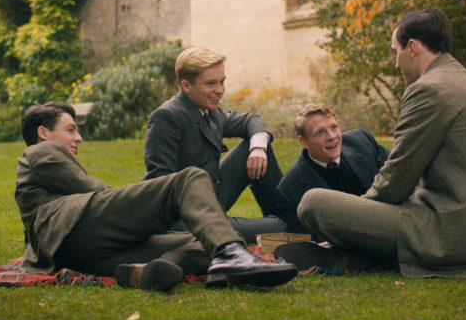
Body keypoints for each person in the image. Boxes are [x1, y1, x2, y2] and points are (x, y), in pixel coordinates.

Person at [276, 8, 466, 278]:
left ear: (412, 47)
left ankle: (359, 254)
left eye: (396, 52)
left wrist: (355, 226)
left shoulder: (428, 89)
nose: (396, 63)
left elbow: (395, 181)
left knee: (312, 203)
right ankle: (362, 256)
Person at [16, 102, 297, 291]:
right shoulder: (40, 151)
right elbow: (92, 191)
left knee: (202, 242)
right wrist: (149, 206)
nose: (79, 138)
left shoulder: (48, 163)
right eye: (70, 130)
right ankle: (232, 253)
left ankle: (148, 271)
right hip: (76, 229)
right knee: (189, 178)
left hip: (81, 254)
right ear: (43, 133)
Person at [143, 47, 287, 243]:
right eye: (211, 83)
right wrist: (210, 219)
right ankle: (286, 227)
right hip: (188, 219)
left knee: (259, 143)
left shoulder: (209, 110)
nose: (219, 90)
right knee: (278, 227)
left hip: (213, 194)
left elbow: (250, 120)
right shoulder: (167, 117)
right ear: (186, 86)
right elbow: (160, 182)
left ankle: (290, 220)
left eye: (222, 81)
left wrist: (258, 149)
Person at [275, 103, 389, 239]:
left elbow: (397, 174)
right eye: (320, 132)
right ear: (304, 142)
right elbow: (307, 241)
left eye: (334, 127)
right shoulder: (289, 188)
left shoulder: (362, 141)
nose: (332, 136)